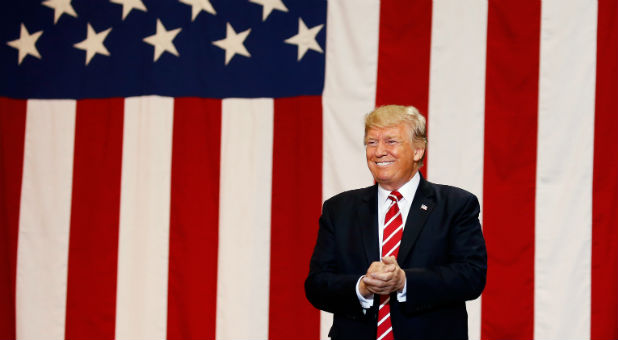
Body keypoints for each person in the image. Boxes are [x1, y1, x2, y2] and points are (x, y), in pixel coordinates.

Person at [305, 105, 487, 340]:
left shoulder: (456, 205)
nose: (379, 151)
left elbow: (471, 277)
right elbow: (317, 285)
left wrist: (404, 281)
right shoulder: (339, 209)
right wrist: (362, 286)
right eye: (371, 142)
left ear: (418, 150)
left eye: (391, 141)